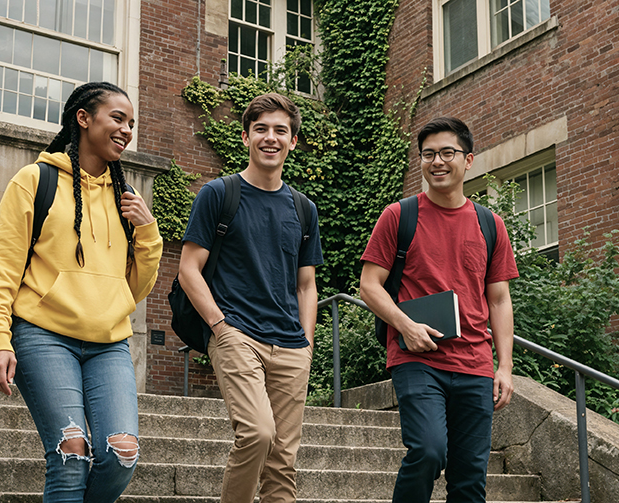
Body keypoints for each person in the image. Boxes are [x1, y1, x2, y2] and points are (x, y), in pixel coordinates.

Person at [0, 82, 163, 503]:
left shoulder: (126, 199)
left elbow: (133, 290)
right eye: (117, 118)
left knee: (122, 454)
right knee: (71, 453)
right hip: (43, 334)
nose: (126, 129)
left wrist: (148, 234)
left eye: (131, 123)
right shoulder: (35, 180)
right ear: (83, 118)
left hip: (109, 343)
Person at [359, 117, 518, 503]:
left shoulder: (490, 224)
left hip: (474, 365)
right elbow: (369, 285)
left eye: (448, 153)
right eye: (428, 154)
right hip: (417, 360)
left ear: (468, 160)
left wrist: (505, 367)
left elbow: (498, 299)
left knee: (470, 477)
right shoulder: (399, 216)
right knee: (429, 451)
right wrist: (405, 325)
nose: (438, 161)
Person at [177, 93, 324, 503]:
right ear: (245, 136)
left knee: (283, 460)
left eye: (281, 130)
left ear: (293, 140)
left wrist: (307, 343)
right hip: (237, 333)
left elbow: (306, 285)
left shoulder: (303, 208)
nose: (271, 138)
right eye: (261, 129)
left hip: (292, 345)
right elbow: (188, 269)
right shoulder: (219, 194)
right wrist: (220, 327)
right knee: (258, 434)